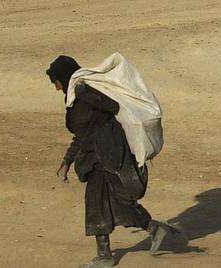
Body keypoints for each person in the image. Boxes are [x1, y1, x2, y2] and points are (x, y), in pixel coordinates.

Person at [48, 55, 173, 268]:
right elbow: (81, 135)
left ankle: (106, 256)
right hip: (97, 158)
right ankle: (151, 230)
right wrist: (66, 162)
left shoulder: (87, 95)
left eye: (56, 83)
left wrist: (88, 98)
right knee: (108, 202)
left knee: (103, 203)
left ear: (63, 77)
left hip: (108, 157)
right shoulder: (76, 99)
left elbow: (111, 109)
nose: (57, 88)